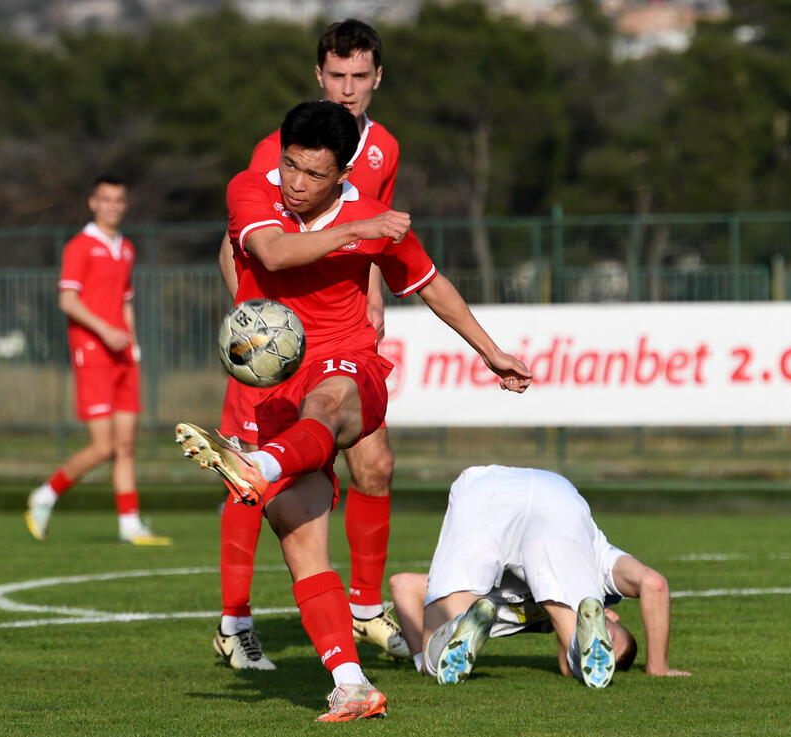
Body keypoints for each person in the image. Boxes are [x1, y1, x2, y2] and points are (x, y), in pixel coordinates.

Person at [176, 100, 531, 721]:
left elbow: (431, 284)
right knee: (300, 534)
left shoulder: (369, 216)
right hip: (275, 386)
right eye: (289, 166)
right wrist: (353, 235)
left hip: (348, 363)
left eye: (313, 175)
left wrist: (491, 351)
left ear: (342, 174)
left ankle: (259, 463)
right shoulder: (250, 190)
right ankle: (350, 681)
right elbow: (277, 253)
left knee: (331, 401)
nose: (295, 182)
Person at [213, 19, 405, 672]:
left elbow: (369, 232)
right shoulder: (285, 146)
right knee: (251, 466)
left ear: (377, 78)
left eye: (360, 77)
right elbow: (240, 242)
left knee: (374, 462)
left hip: (347, 330)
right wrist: (256, 325)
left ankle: (366, 607)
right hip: (277, 339)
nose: (348, 89)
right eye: (336, 76)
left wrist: (374, 288)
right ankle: (234, 621)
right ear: (318, 76)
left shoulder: (384, 150)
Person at [387, 465, 692, 687]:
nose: (603, 653)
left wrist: (418, 657)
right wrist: (658, 669)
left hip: (508, 491)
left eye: (604, 652)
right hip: (553, 510)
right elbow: (654, 585)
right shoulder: (593, 575)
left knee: (438, 646)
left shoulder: (599, 558)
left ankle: (454, 632)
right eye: (608, 642)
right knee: (432, 663)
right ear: (608, 616)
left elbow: (654, 583)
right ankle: (435, 654)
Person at [25, 175, 171, 546]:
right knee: (103, 447)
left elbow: (125, 301)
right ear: (93, 202)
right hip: (92, 353)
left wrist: (133, 347)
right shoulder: (80, 246)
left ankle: (130, 525)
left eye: (119, 200)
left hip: (123, 358)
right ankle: (45, 494)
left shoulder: (125, 248)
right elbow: (67, 301)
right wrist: (105, 331)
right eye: (106, 200)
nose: (113, 206)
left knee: (125, 446)